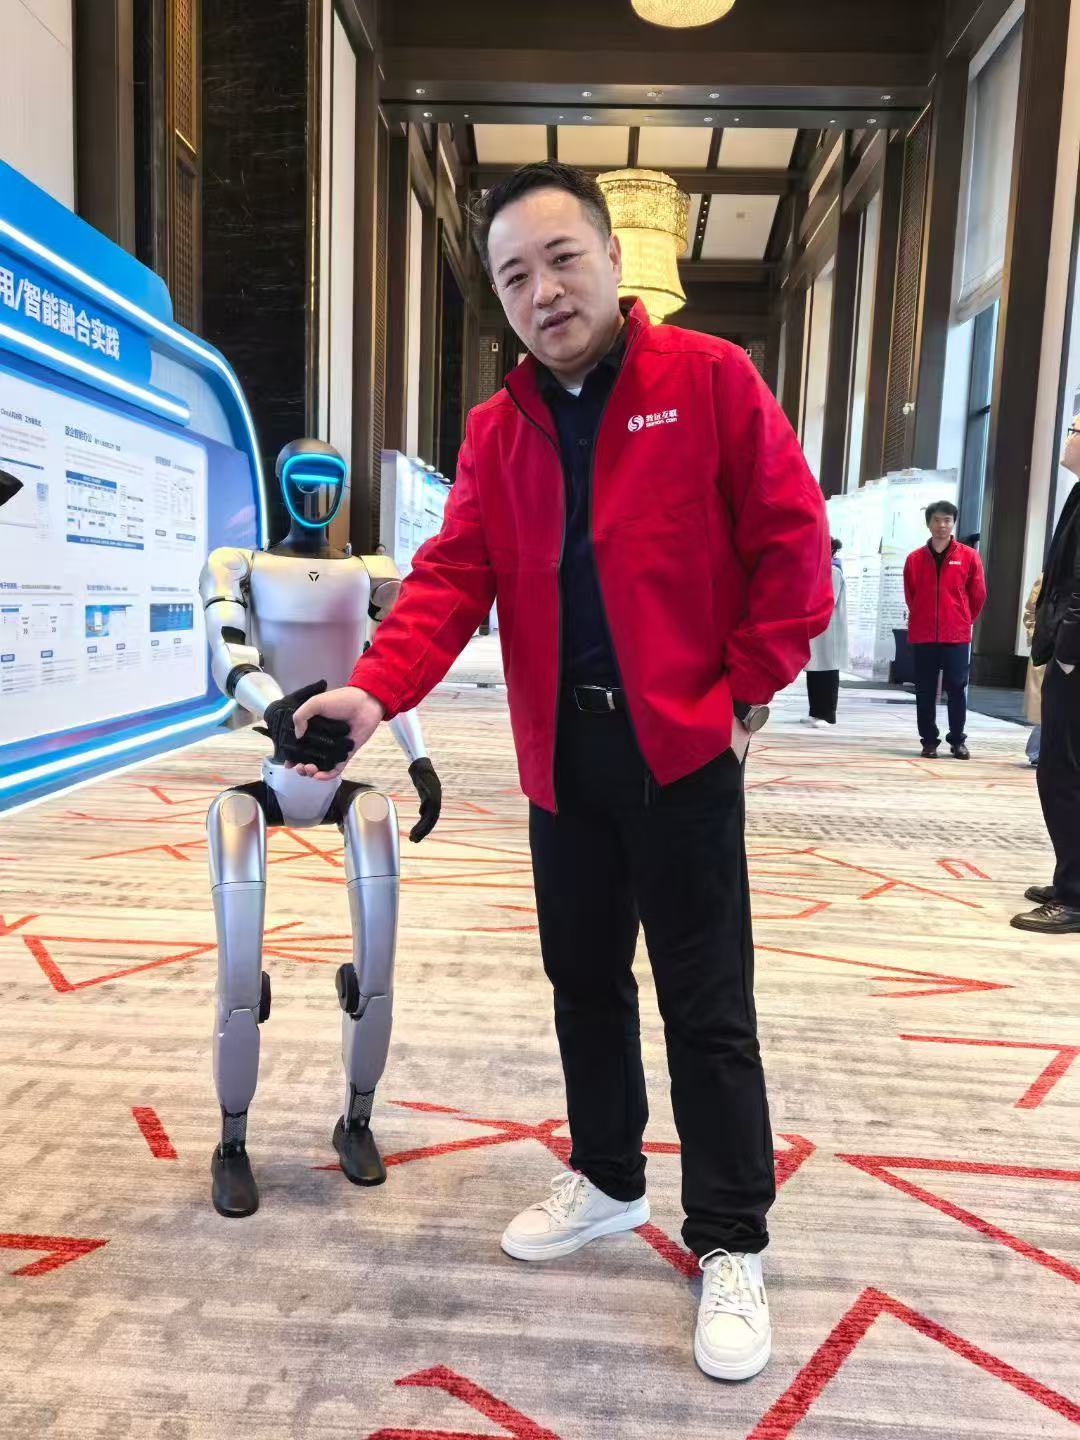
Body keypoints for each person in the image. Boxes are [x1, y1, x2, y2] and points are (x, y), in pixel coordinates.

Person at [289, 161, 831, 1380]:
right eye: (514, 276)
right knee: (584, 980)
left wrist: (746, 696)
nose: (543, 291)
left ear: (612, 260)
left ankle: (731, 1237)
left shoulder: (709, 380)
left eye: (561, 259)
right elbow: (451, 580)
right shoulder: (500, 429)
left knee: (706, 1003)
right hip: (561, 756)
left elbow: (793, 544)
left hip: (682, 749)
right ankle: (609, 1176)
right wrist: (373, 691)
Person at [1012, 415, 1080, 934]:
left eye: (1075, 430)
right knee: (1060, 769)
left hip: (1076, 659)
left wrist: (1068, 653)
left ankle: (1075, 896)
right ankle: (1070, 878)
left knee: (1063, 771)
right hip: (1068, 652)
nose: (1068, 438)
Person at [903, 501, 986, 759]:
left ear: (953, 523)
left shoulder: (968, 556)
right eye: (937, 520)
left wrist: (963, 619)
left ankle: (957, 740)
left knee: (957, 688)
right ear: (928, 523)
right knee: (925, 690)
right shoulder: (914, 559)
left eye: (947, 520)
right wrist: (923, 616)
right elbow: (911, 595)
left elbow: (978, 594)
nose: (942, 525)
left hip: (956, 635)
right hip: (923, 634)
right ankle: (929, 741)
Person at [803, 538, 848, 727]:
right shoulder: (815, 570)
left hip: (830, 630)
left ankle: (828, 715)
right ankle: (815, 712)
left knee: (827, 671)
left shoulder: (834, 572)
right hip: (815, 628)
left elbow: (828, 600)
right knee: (814, 670)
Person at [1023, 575, 1044, 766]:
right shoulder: (1047, 577)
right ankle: (1036, 751)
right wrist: (1038, 637)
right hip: (1050, 647)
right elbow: (1030, 613)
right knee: (1047, 706)